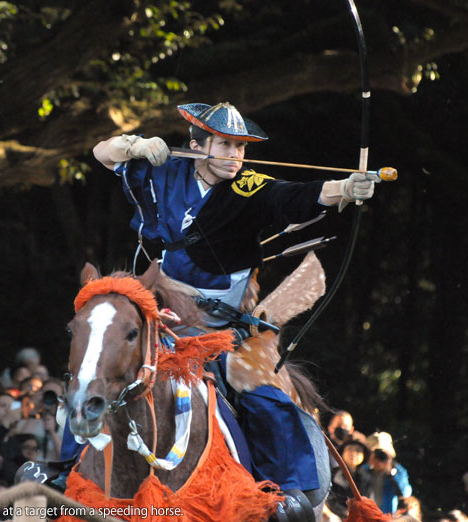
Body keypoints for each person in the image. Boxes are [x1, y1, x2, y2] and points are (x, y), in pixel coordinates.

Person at [91, 101, 377, 518]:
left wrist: (346, 188)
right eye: (224, 144)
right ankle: (64, 470)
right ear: (196, 145)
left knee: (262, 394)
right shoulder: (165, 170)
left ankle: (288, 493)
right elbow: (103, 153)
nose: (235, 155)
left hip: (220, 326)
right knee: (99, 366)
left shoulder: (248, 187)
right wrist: (135, 145)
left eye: (240, 147)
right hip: (157, 313)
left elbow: (297, 195)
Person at [359, 431, 412, 514]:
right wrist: (369, 464)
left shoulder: (398, 472)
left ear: (390, 454)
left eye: (383, 453)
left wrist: (392, 473)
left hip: (388, 516)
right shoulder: (363, 470)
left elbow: (405, 493)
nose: (380, 457)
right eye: (376, 453)